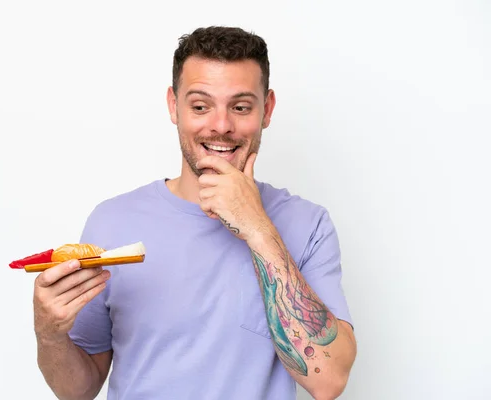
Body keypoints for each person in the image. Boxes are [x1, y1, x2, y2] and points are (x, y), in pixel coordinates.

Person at [33, 26, 357, 400]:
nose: (221, 126)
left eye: (240, 107)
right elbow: (78, 391)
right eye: (201, 106)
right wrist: (49, 333)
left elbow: (328, 380)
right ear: (174, 105)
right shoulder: (112, 221)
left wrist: (257, 228)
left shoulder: (308, 225)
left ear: (266, 110)